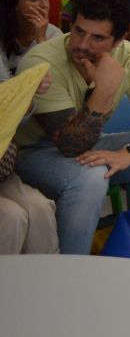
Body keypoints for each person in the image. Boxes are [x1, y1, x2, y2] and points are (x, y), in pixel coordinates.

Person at [14, 0, 130, 255]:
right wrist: (103, 91)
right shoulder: (42, 61)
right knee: (91, 177)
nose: (83, 44)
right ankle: (72, 266)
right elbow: (69, 146)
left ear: (119, 40)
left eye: (98, 37)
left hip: (91, 141)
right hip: (35, 153)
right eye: (79, 31)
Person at [0, 74, 58, 255]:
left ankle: (48, 275)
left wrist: (26, 95)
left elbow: (12, 106)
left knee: (40, 207)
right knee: (11, 216)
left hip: (3, 172)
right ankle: (8, 280)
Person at [0, 0, 63, 79]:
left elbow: (55, 81)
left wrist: (41, 40)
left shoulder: (55, 35)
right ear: (15, 4)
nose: (44, 5)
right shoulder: (3, 30)